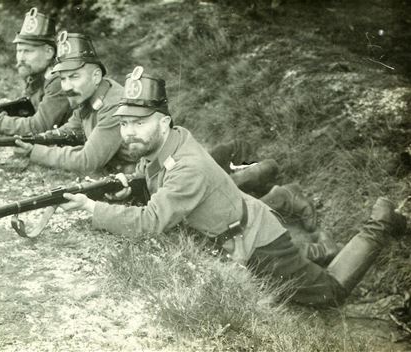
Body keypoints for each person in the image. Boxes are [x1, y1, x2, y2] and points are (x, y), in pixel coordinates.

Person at [60, 67, 408, 307]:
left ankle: (381, 222)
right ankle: (316, 248)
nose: (129, 132)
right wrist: (131, 186)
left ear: (163, 122)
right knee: (292, 278)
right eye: (123, 124)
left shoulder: (188, 165)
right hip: (239, 227)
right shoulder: (171, 141)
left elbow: (149, 223)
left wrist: (94, 209)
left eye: (138, 123)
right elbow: (158, 176)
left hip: (258, 242)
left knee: (329, 296)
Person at [14, 31, 137, 174]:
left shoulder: (115, 106)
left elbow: (87, 161)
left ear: (96, 76)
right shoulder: (88, 95)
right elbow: (71, 130)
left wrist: (34, 151)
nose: (66, 87)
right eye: (63, 79)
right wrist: (37, 139)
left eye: (74, 77)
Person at [0, 8, 71, 136]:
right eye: (19, 51)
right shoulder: (36, 76)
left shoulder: (59, 80)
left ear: (48, 52)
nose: (21, 58)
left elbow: (38, 127)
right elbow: (31, 111)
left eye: (28, 51)